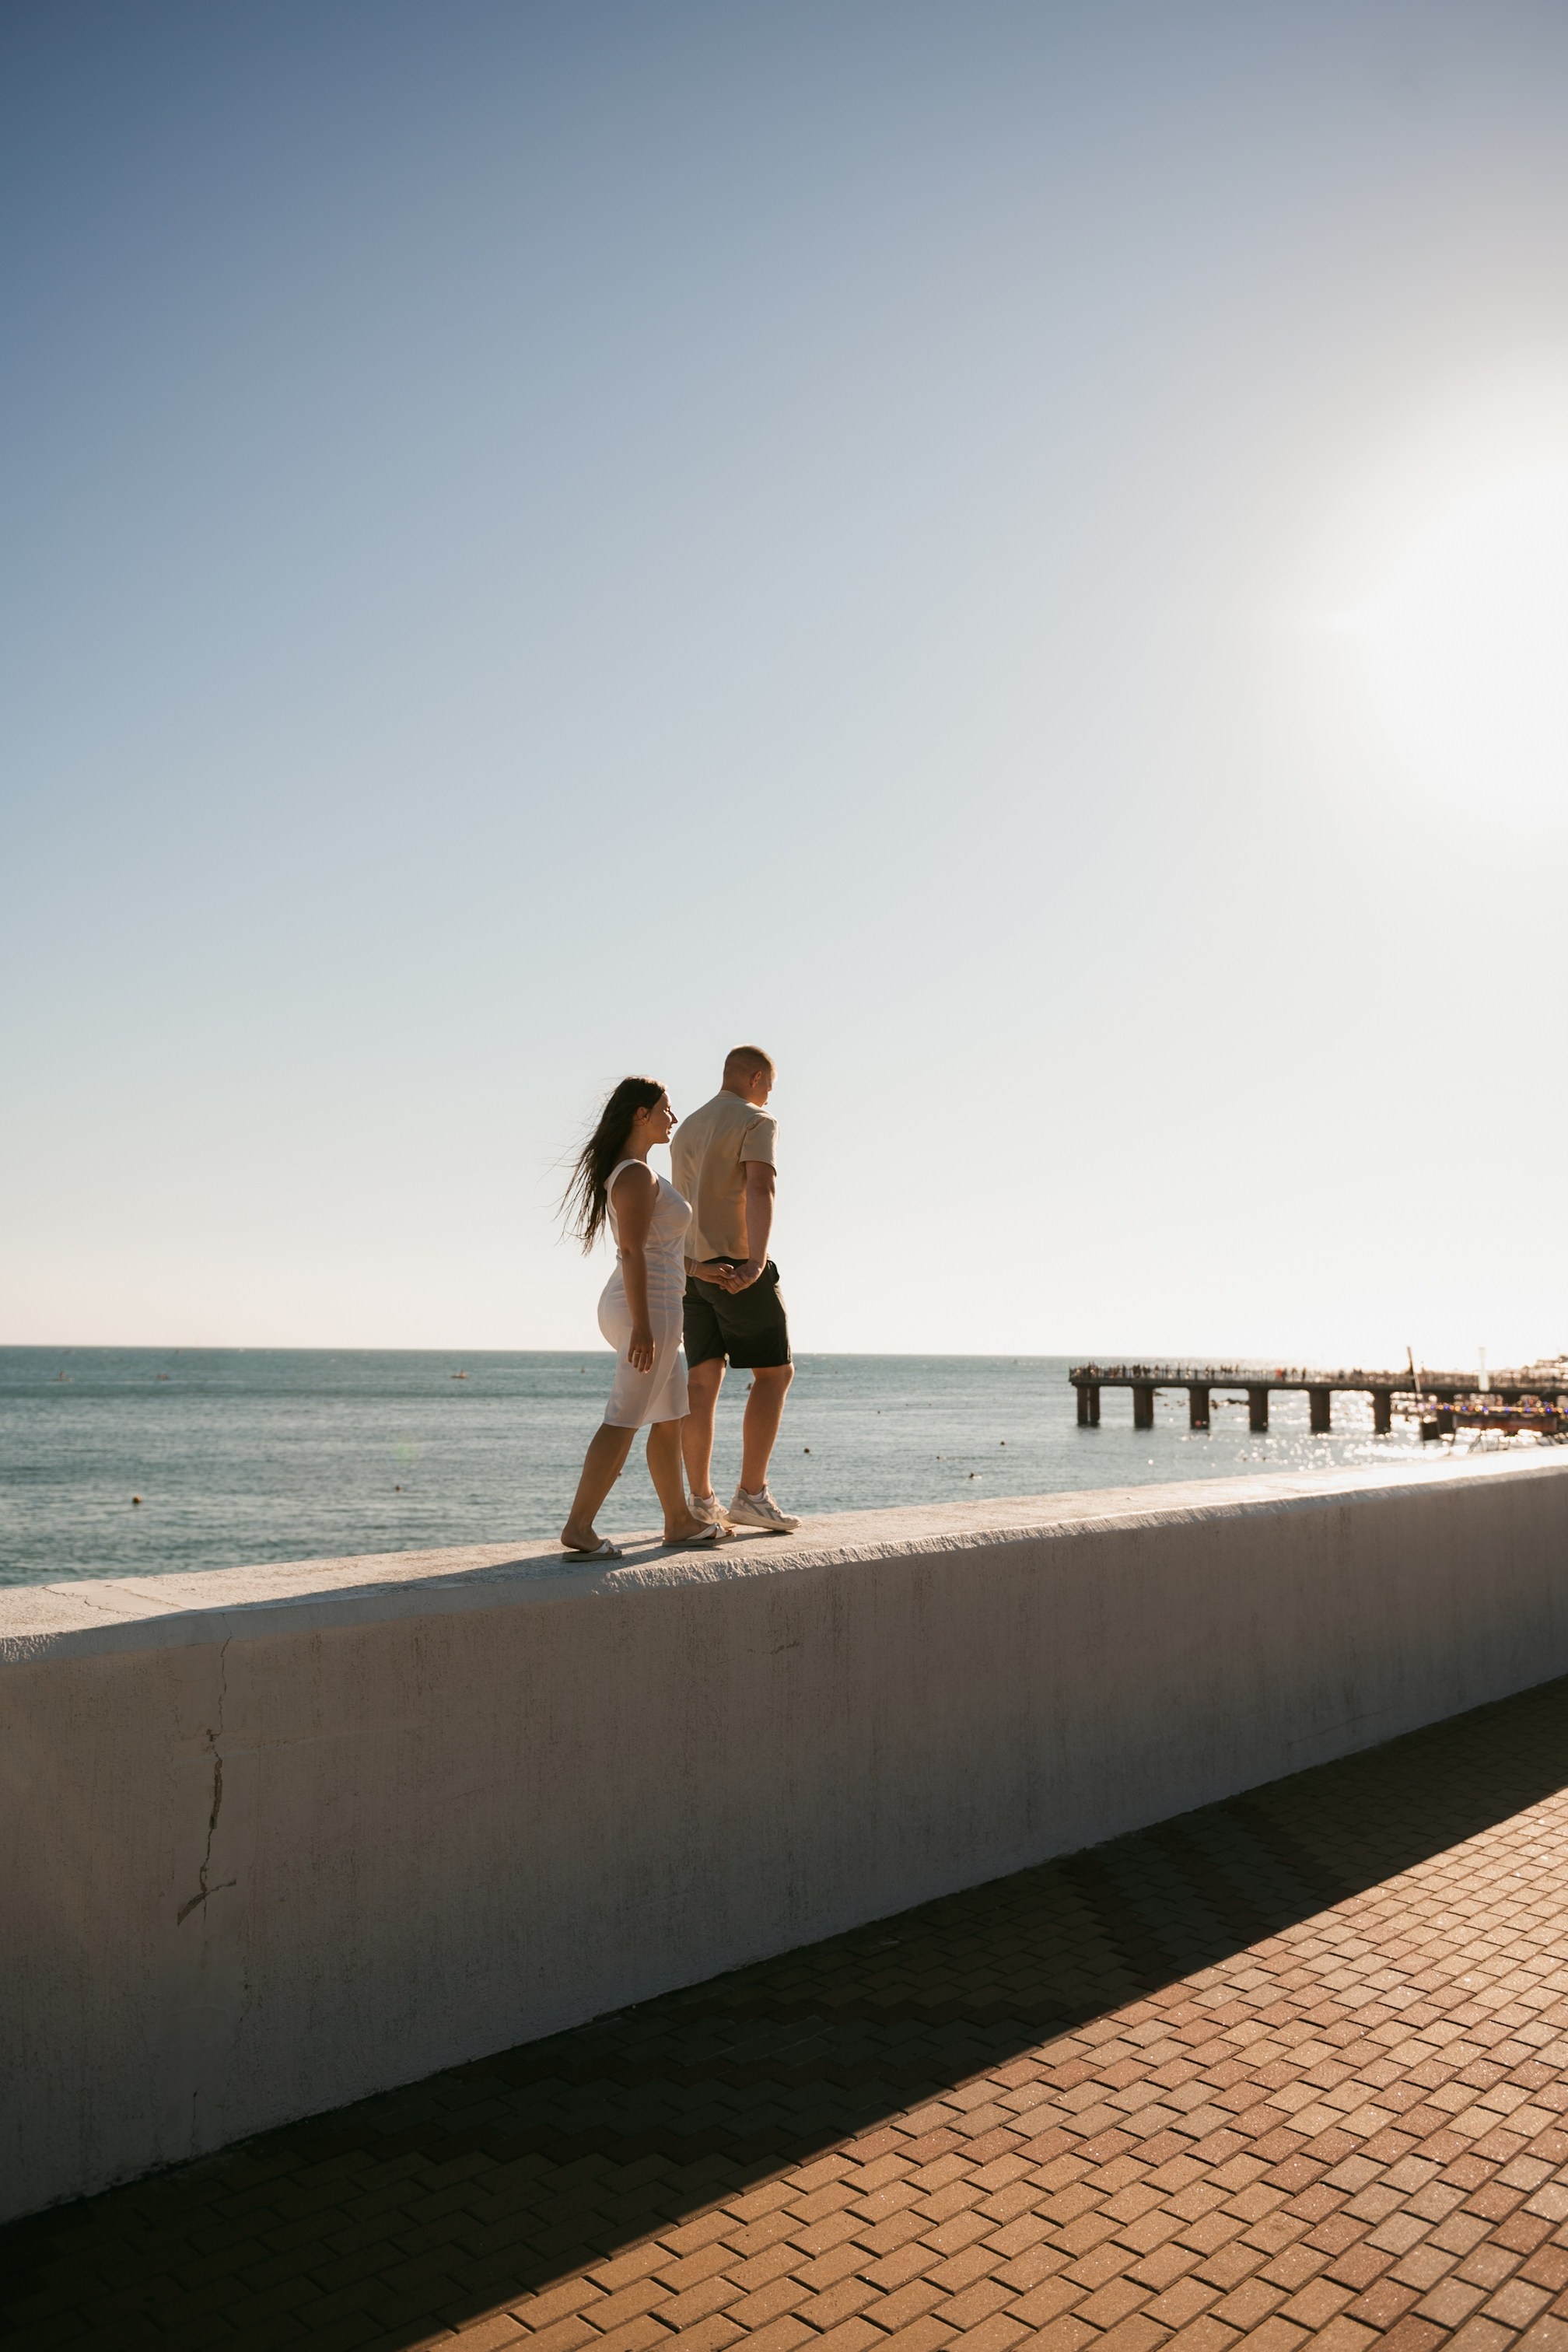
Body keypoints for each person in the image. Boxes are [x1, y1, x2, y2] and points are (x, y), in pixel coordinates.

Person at [559, 1076, 727, 1558]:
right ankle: (579, 1527)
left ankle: (678, 1521)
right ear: (640, 1114)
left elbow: (658, 1250)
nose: (672, 1118)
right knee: (625, 1417)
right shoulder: (634, 1174)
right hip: (645, 1307)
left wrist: (704, 1272)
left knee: (671, 1413)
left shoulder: (642, 1174)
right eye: (666, 1109)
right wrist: (644, 1326)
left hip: (657, 1302)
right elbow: (632, 1251)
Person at [670, 1046, 800, 1533]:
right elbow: (760, 1186)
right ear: (756, 1076)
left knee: (702, 1382)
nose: (769, 1092)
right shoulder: (757, 1120)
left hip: (692, 1272)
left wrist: (688, 1264)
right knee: (775, 1375)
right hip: (734, 1268)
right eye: (769, 1083)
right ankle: (751, 1494)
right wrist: (756, 1261)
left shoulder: (686, 1129)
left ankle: (702, 1502)